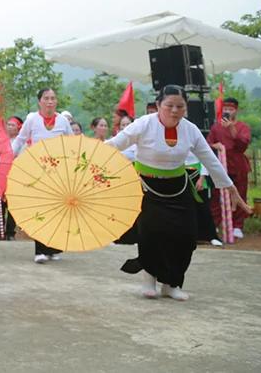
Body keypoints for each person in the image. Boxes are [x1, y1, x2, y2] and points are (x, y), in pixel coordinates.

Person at [107, 85, 250, 300]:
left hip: (178, 188)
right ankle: (149, 278)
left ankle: (171, 283)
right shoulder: (143, 124)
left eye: (180, 106)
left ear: (186, 108)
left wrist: (230, 188)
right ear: (158, 106)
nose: (174, 111)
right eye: (169, 106)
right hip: (147, 187)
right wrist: (87, 153)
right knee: (151, 234)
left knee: (184, 237)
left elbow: (210, 159)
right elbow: (115, 144)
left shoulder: (190, 129)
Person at [11, 87, 74, 263]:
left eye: (53, 98)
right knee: (40, 210)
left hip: (59, 172)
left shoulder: (62, 121)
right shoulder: (32, 119)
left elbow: (72, 143)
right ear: (39, 101)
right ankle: (39, 250)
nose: (50, 101)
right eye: (46, 98)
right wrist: (10, 155)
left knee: (57, 210)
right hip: (37, 170)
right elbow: (20, 139)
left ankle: (53, 249)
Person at [207, 98, 251, 238]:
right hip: (221, 164)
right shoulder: (215, 128)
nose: (228, 112)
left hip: (238, 165)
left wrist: (232, 128)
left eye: (231, 110)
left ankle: (237, 226)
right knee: (217, 196)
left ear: (236, 111)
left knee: (240, 194)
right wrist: (215, 146)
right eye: (226, 109)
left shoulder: (243, 127)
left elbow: (242, 145)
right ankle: (216, 224)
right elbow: (207, 143)